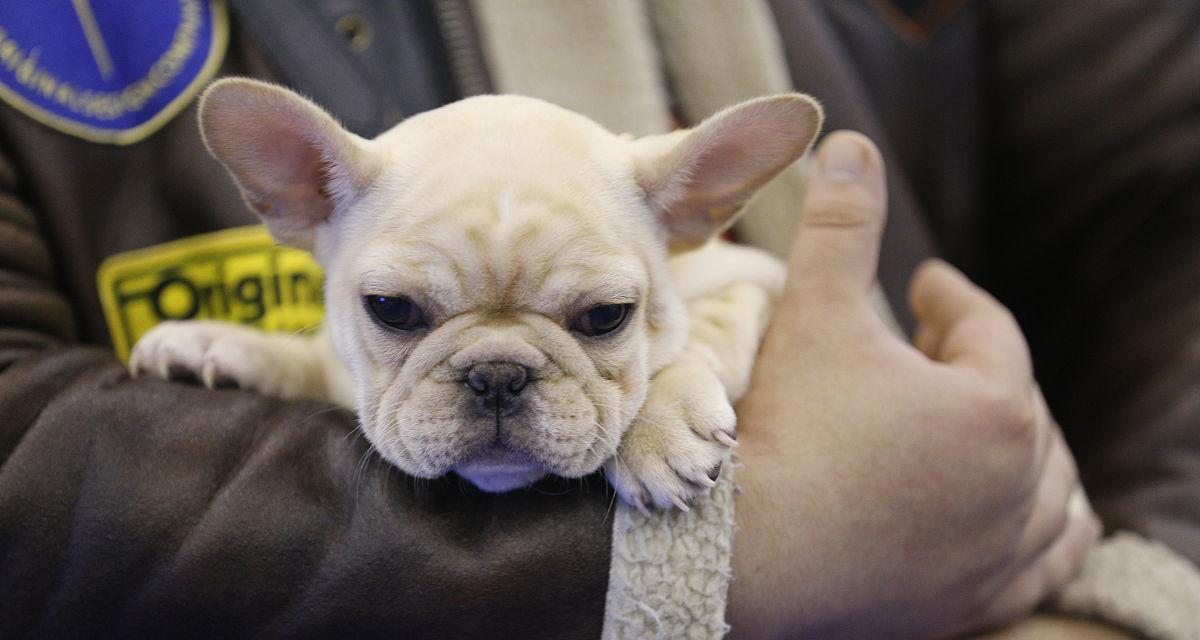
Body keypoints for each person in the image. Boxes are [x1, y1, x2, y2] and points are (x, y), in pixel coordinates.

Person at [0, 1, 1196, 638]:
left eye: (601, 315)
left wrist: (1123, 615)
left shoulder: (694, 250)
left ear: (702, 205)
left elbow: (1166, 220)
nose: (500, 378)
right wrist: (773, 540)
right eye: (405, 311)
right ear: (297, 192)